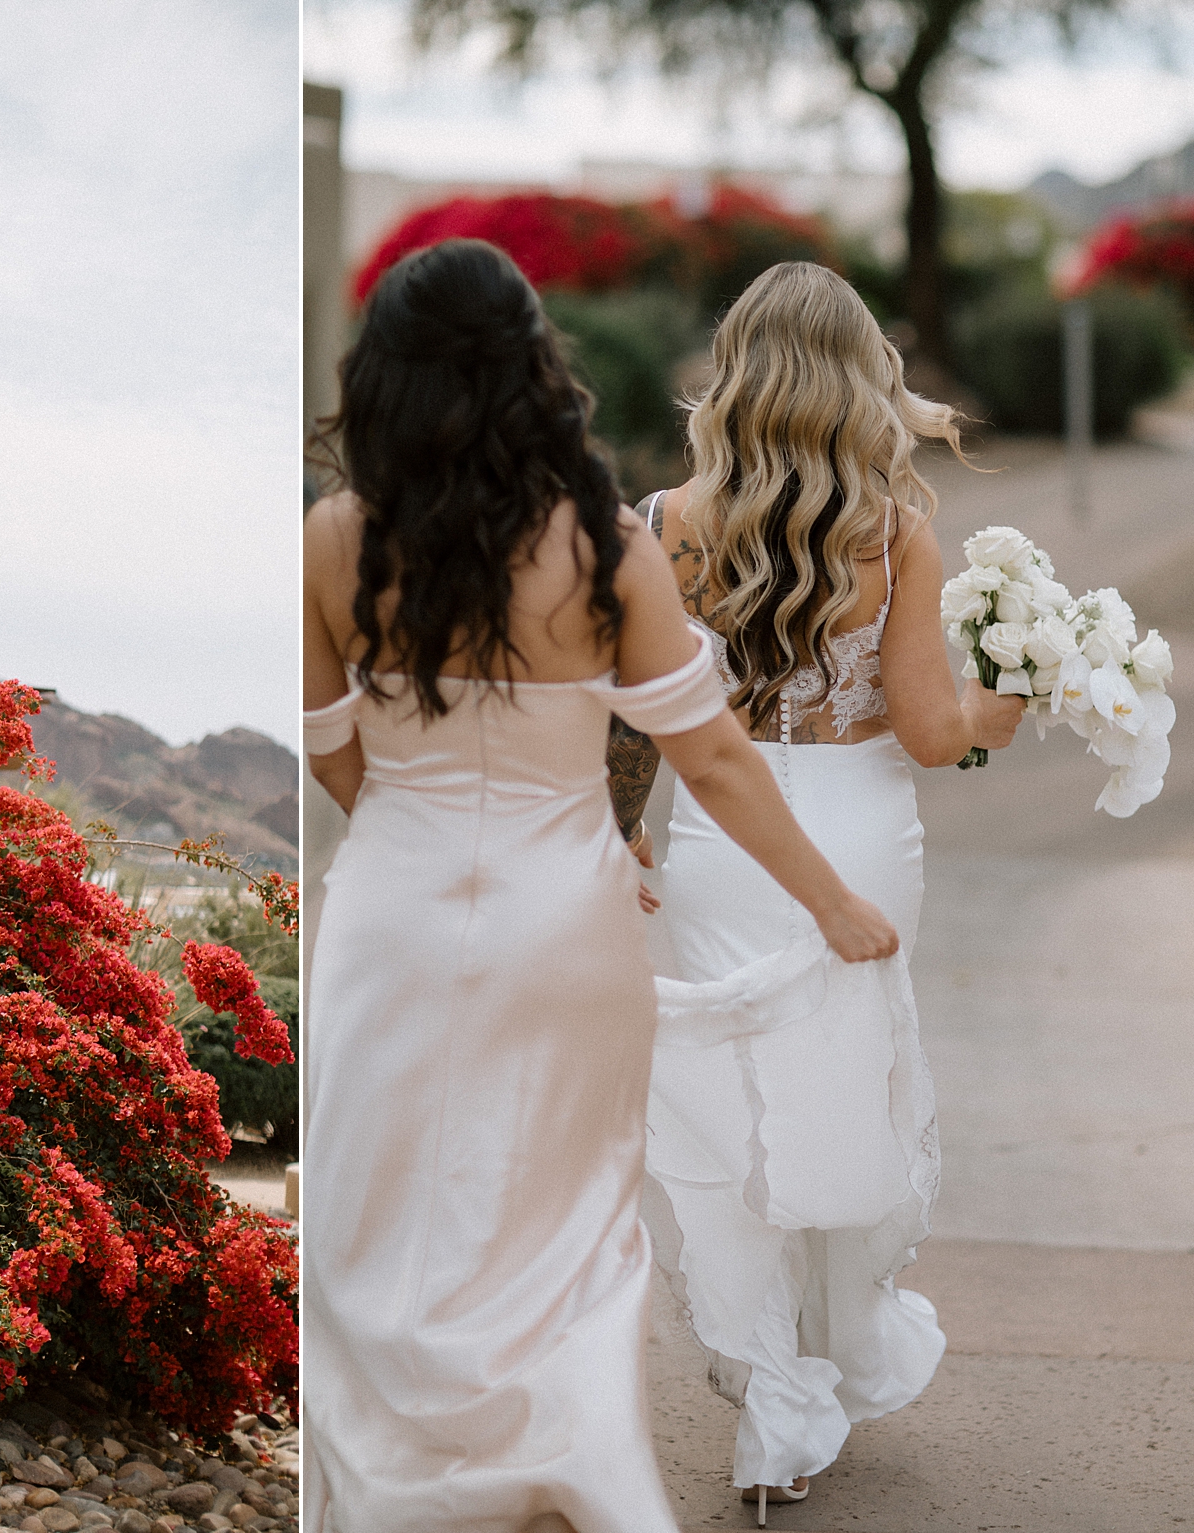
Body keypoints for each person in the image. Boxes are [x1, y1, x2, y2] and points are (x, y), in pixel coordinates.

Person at [300, 238, 901, 1533]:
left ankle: (404, 1490)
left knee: (386, 1207)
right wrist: (829, 903)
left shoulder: (334, 540)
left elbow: (332, 745)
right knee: (567, 1222)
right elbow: (719, 757)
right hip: (568, 919)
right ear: (535, 366)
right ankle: (563, 1478)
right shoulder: (599, 540)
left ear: (383, 374)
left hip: (385, 920)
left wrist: (411, 840)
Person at [627, 261, 1026, 1523]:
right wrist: (999, 714)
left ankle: (773, 1415)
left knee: (724, 1115)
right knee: (833, 1098)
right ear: (862, 375)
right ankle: (825, 1364)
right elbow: (927, 734)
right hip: (853, 840)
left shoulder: (665, 524)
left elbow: (640, 716)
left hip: (711, 841)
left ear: (733, 370)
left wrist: (623, 836)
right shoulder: (889, 528)